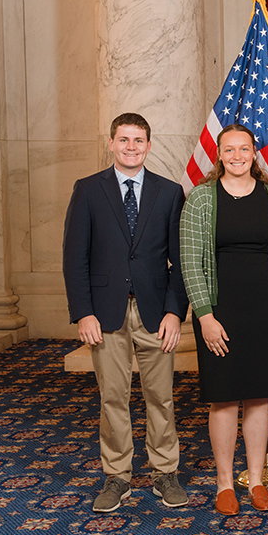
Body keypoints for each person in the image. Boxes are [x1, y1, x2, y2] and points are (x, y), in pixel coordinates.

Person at [62, 113, 189, 512]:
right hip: (105, 314)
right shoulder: (87, 190)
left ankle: (164, 472)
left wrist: (174, 312)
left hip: (156, 314)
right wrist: (84, 312)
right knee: (113, 397)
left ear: (149, 146)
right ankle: (117, 476)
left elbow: (182, 260)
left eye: (139, 140)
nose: (131, 147)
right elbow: (74, 257)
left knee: (161, 398)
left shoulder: (169, 193)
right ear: (112, 144)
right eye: (124, 139)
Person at [180, 123, 268, 516]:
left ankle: (257, 479)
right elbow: (191, 263)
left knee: (260, 397)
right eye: (230, 150)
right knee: (224, 398)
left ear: (254, 153)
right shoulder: (200, 199)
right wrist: (205, 315)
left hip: (264, 309)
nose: (238, 156)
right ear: (220, 155)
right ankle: (225, 483)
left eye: (244, 149)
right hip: (220, 312)